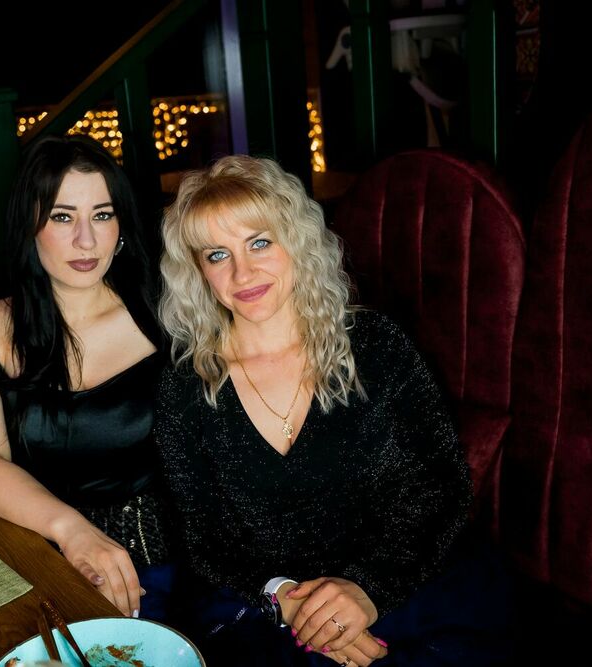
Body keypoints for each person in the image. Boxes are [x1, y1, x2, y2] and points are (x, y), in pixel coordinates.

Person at [155, 155, 512, 665]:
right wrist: (288, 601)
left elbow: (440, 489)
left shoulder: (377, 346)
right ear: (197, 271)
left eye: (259, 243)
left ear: (296, 242)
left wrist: (367, 591)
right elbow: (203, 536)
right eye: (217, 254)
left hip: (402, 585)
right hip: (266, 607)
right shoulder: (186, 385)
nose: (242, 271)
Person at [0, 135, 170, 619]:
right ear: (29, 224)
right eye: (63, 217)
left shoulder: (166, 310)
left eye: (102, 215)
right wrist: (72, 531)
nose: (86, 241)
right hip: (41, 557)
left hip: (167, 560)